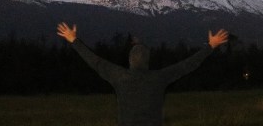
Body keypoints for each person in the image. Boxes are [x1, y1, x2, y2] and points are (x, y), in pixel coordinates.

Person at [57, 22, 228, 126]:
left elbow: (95, 61)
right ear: (148, 61)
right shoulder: (159, 78)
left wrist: (74, 41)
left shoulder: (119, 76)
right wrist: (211, 46)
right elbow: (188, 65)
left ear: (130, 60)